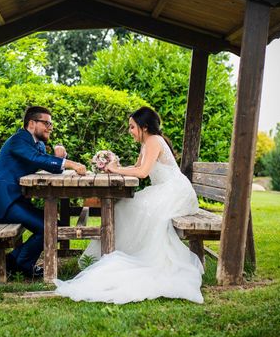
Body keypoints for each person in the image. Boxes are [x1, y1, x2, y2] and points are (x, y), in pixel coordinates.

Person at [54, 106, 204, 303]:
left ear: (144, 127)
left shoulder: (153, 141)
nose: (130, 131)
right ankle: (111, 253)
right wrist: (113, 168)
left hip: (176, 191)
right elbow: (136, 167)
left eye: (132, 127)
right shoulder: (147, 143)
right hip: (165, 190)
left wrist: (116, 169)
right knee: (124, 207)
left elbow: (142, 174)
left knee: (129, 208)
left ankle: (121, 254)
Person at [0, 106, 87, 278]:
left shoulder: (38, 145)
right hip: (2, 202)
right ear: (31, 123)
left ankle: (13, 261)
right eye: (46, 123)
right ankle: (19, 264)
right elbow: (36, 159)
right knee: (49, 227)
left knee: (55, 225)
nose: (50, 128)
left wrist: (60, 157)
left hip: (15, 200)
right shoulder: (18, 140)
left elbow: (49, 166)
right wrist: (70, 164)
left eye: (51, 124)